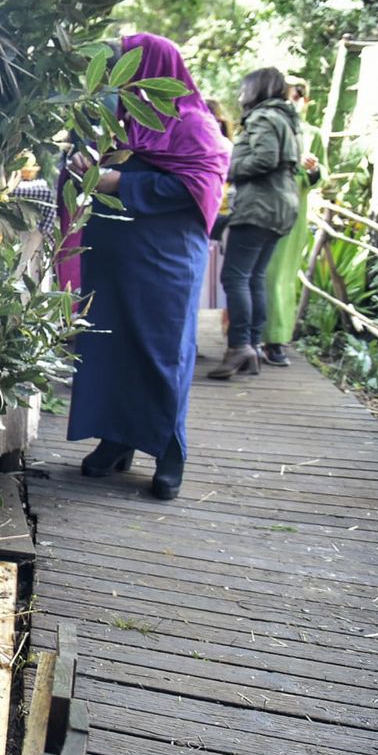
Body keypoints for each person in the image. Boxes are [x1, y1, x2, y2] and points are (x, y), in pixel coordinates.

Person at [67, 34, 229, 500]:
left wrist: (121, 183)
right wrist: (82, 163)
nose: (119, 78)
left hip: (165, 259)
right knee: (109, 347)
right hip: (113, 255)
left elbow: (198, 188)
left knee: (162, 353)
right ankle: (115, 440)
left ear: (156, 70)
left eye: (128, 68)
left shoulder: (194, 124)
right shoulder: (115, 118)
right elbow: (86, 164)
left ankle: (168, 451)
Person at [208, 67, 302, 380]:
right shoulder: (287, 118)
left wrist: (228, 170)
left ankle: (239, 346)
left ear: (257, 89)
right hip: (282, 205)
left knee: (235, 277)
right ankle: (252, 345)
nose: (240, 94)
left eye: (244, 88)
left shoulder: (263, 117)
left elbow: (265, 158)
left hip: (259, 206)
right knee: (254, 277)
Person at [259, 76, 321, 367]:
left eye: (296, 97)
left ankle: (276, 339)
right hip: (261, 206)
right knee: (258, 274)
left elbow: (321, 178)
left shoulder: (312, 134)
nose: (290, 103)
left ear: (305, 102)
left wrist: (312, 168)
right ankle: (250, 335)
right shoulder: (264, 123)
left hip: (293, 210)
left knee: (280, 276)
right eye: (285, 96)